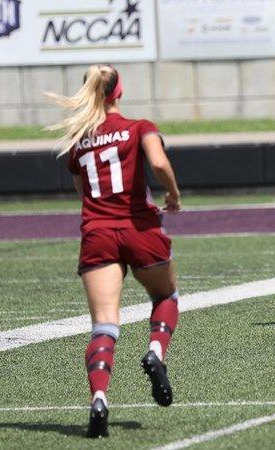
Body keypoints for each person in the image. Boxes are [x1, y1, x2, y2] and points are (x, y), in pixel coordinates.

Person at [45, 64, 182, 438]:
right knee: (166, 294)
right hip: (139, 228)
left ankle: (99, 399)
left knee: (105, 325)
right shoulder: (140, 126)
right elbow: (157, 162)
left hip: (97, 233)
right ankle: (155, 350)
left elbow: (83, 195)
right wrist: (172, 193)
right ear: (119, 92)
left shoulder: (78, 139)